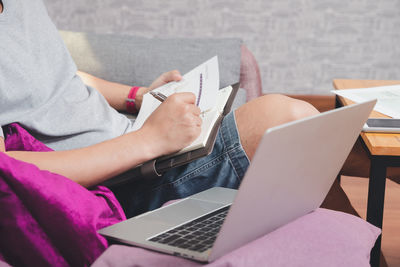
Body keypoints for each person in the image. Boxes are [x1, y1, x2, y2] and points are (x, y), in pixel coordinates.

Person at [0, 0, 320, 218]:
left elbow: (59, 77)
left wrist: (139, 96)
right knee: (286, 120)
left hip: (136, 144)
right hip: (111, 186)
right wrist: (148, 141)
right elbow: (7, 170)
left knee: (304, 128)